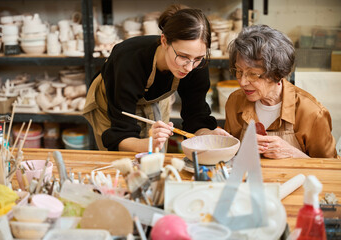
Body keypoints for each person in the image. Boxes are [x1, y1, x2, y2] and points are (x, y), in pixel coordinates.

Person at [83, 4, 228, 152]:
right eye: (183, 56)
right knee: (126, 162)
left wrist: (208, 134)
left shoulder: (196, 64)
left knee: (157, 157)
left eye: (198, 58)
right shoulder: (129, 60)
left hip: (154, 96)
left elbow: (196, 117)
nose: (190, 67)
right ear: (164, 41)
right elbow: (120, 135)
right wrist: (149, 144)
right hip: (114, 95)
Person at [224, 24, 337, 159]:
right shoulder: (235, 101)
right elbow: (229, 159)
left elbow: (332, 170)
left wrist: (294, 154)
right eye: (239, 71)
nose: (242, 82)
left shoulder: (312, 113)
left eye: (253, 74)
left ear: (277, 73)